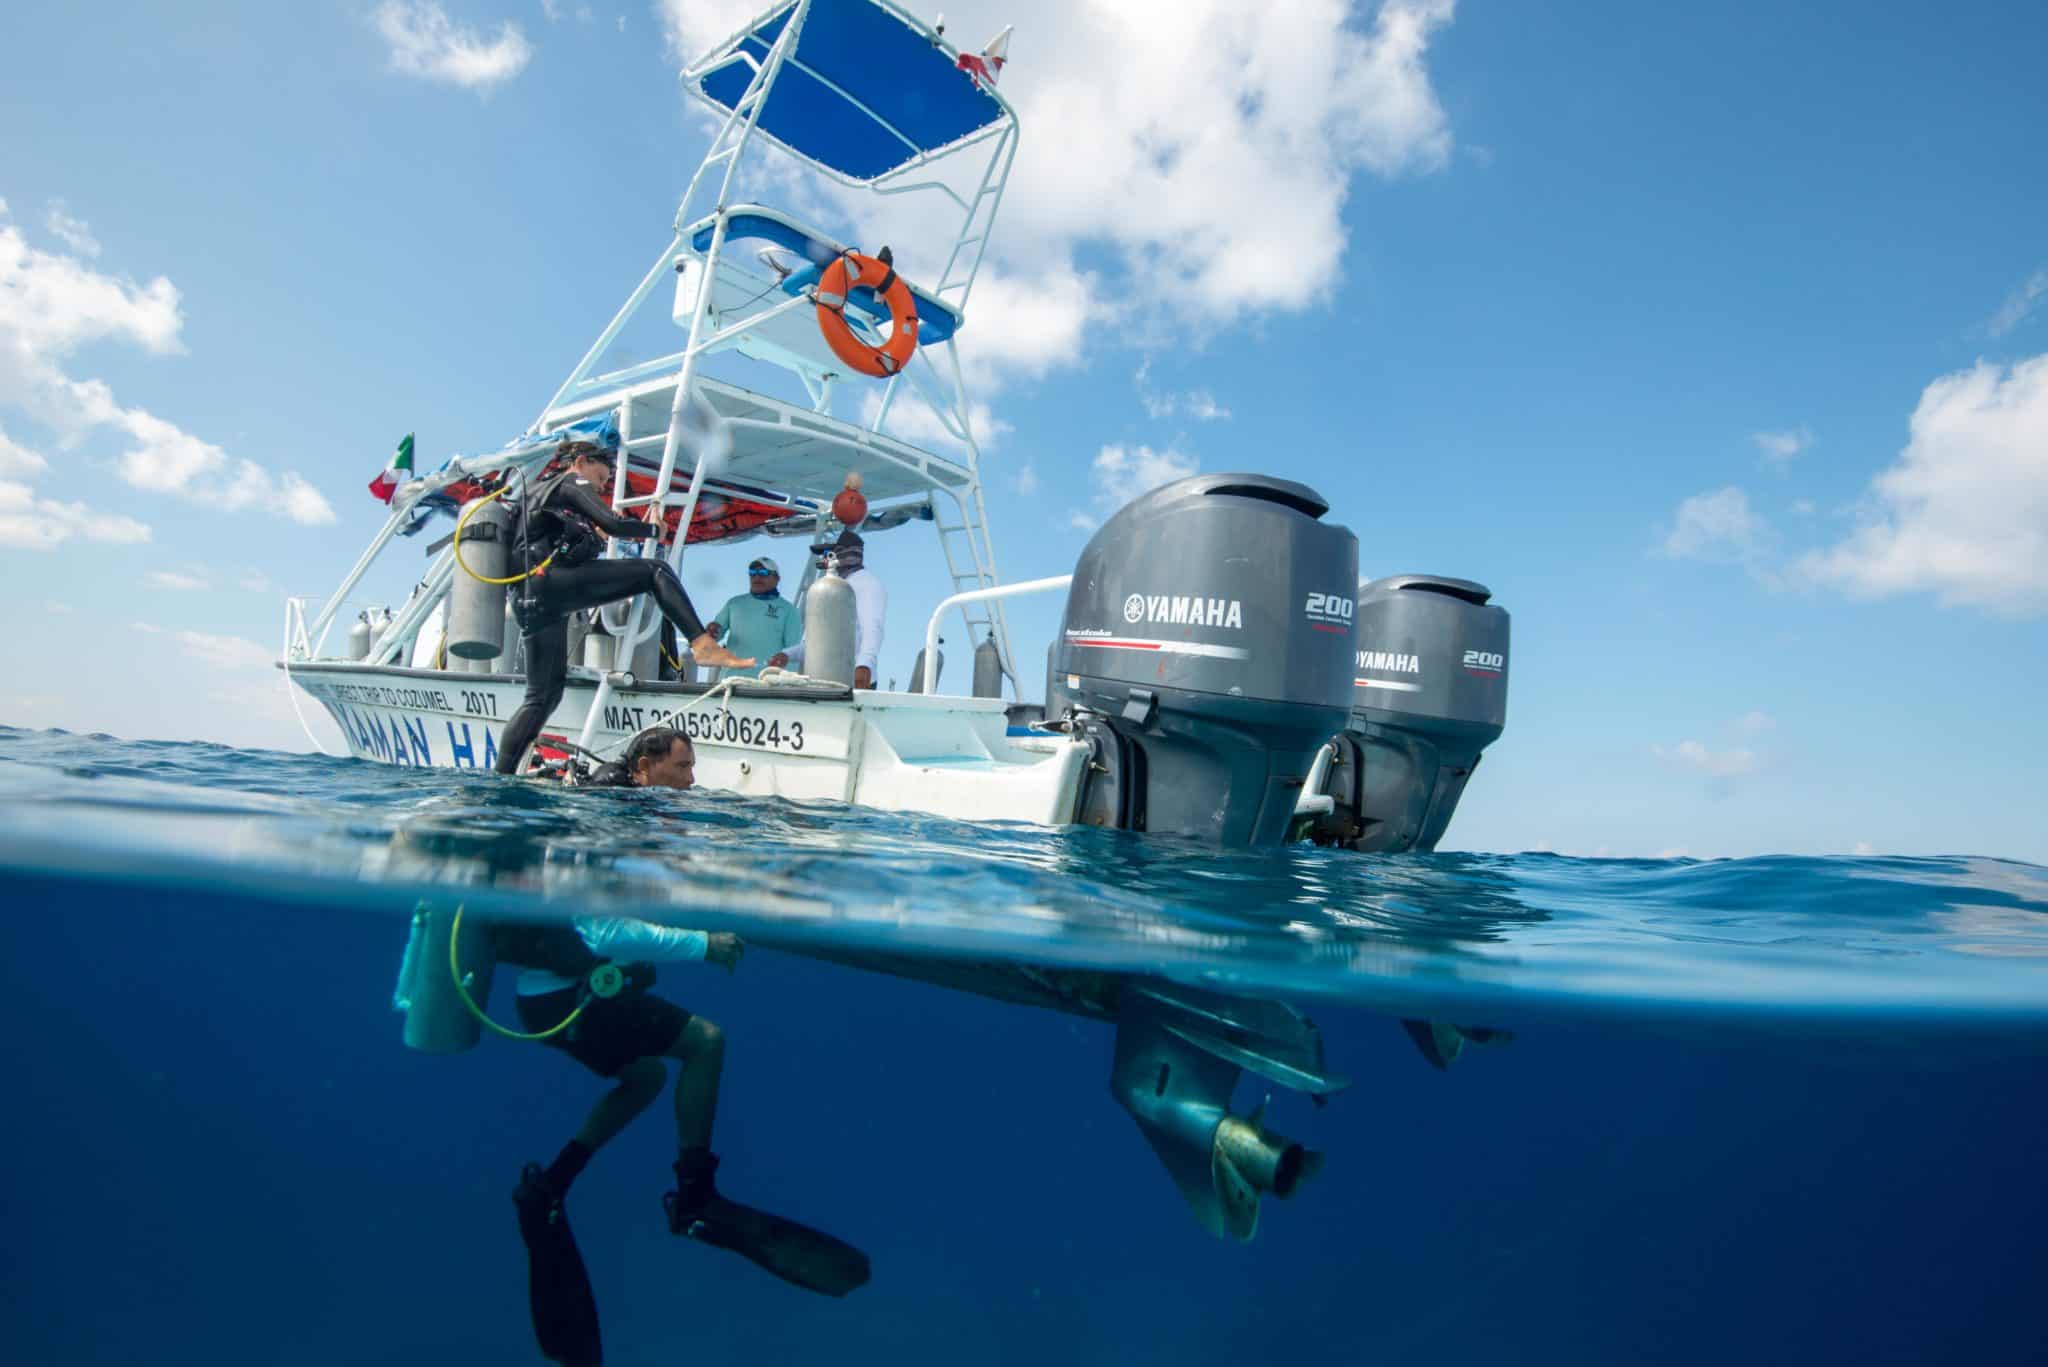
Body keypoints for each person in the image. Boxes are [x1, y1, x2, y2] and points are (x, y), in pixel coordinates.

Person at [492, 440, 751, 775]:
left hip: (528, 598)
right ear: (582, 461)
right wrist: (652, 529)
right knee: (654, 572)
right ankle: (703, 646)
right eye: (603, 475)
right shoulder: (572, 481)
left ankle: (502, 774)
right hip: (551, 584)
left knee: (542, 697)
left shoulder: (539, 492)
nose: (604, 484)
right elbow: (614, 524)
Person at [790, 530, 887, 689]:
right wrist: (787, 655)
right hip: (823, 677)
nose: (823, 559)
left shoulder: (867, 584)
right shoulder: (830, 586)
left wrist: (864, 665)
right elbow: (813, 641)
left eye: (828, 553)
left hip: (854, 678)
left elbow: (872, 628)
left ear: (843, 554)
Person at [704, 555, 804, 680]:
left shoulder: (789, 610)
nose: (757, 577)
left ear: (777, 578)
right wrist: (711, 630)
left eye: (763, 572)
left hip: (767, 684)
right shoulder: (734, 603)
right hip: (730, 680)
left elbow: (792, 652)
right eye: (752, 573)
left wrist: (784, 684)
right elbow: (714, 636)